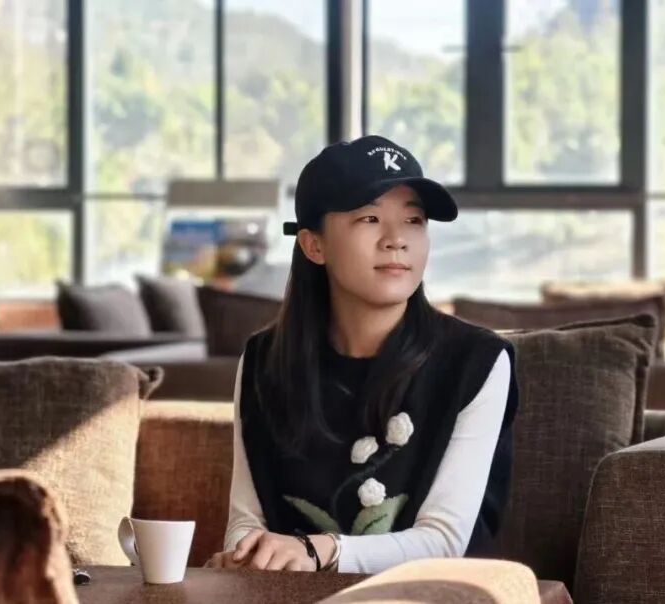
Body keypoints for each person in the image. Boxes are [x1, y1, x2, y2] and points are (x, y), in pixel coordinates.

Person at [205, 135, 519, 574]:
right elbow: (246, 518)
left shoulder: (476, 362)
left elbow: (445, 541)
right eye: (370, 218)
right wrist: (247, 556)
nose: (397, 239)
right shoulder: (264, 360)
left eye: (414, 220)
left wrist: (322, 551)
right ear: (314, 245)